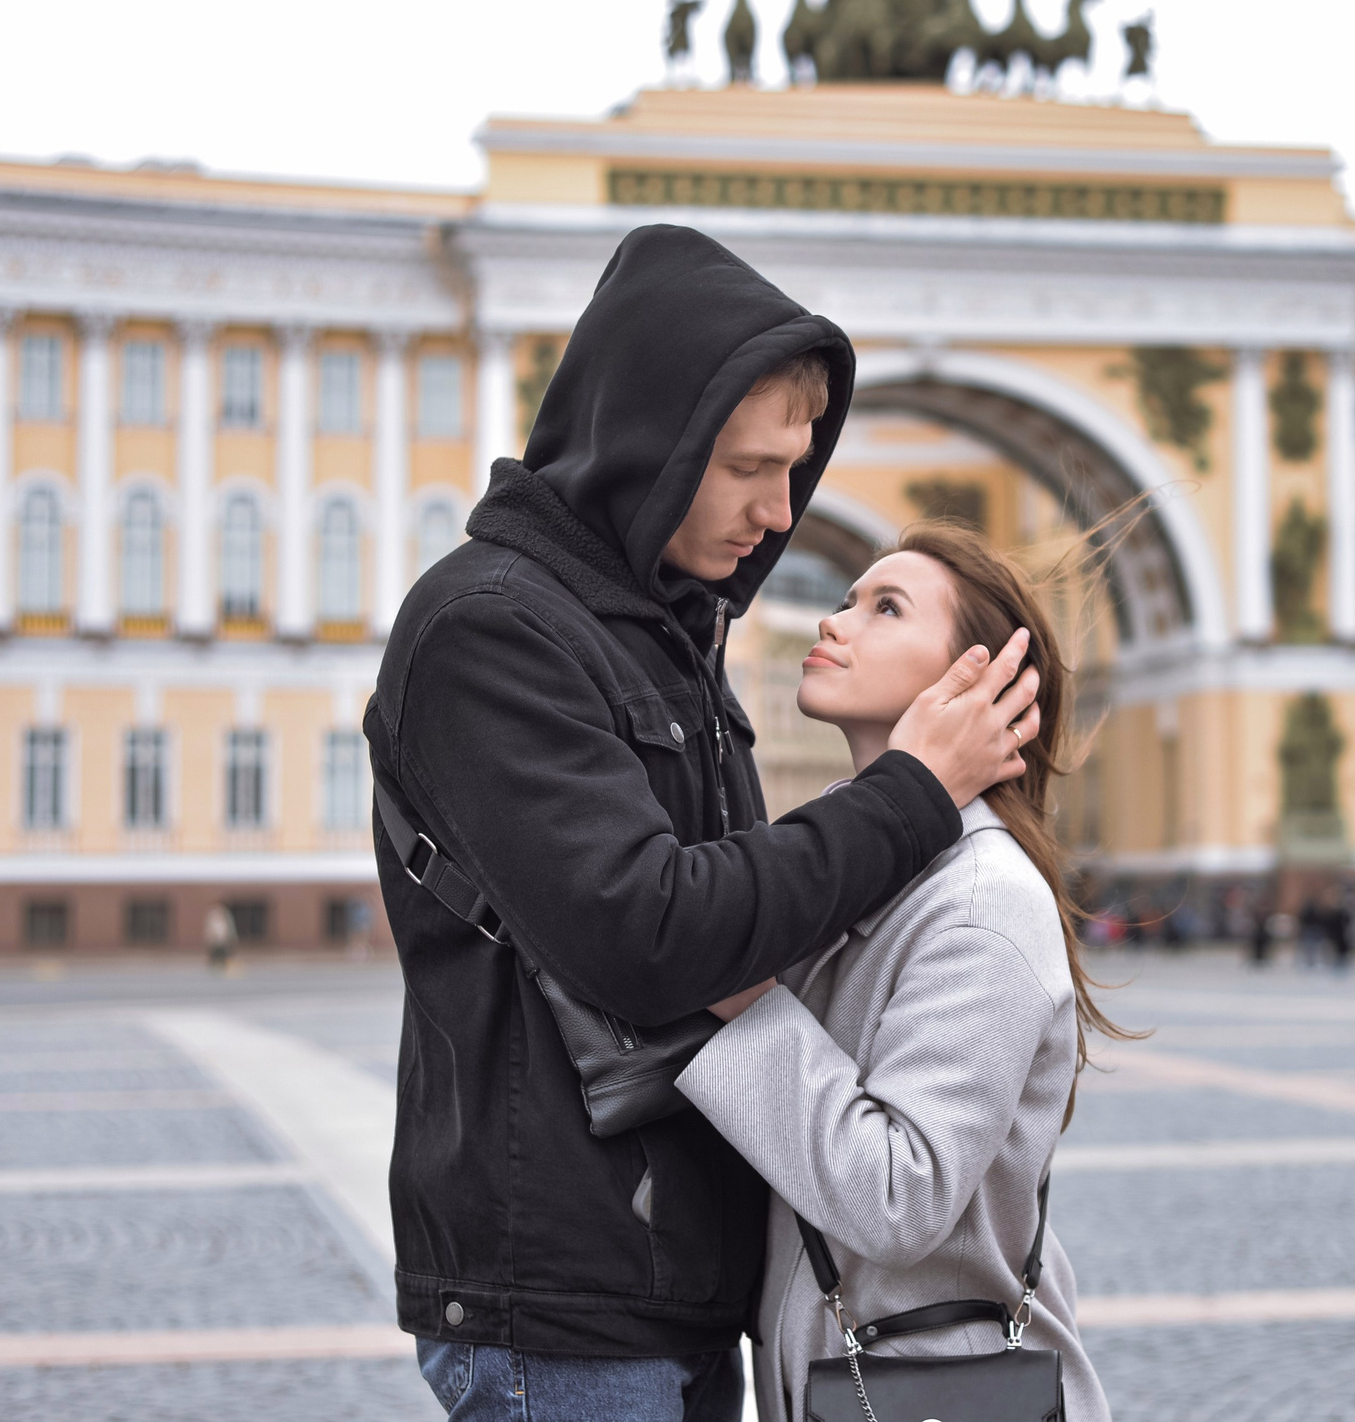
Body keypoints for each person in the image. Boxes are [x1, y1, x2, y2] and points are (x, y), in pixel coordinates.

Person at [365, 226, 1039, 1422]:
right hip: (566, 1303)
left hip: (672, 1290)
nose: (780, 512)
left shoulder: (665, 630)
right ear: (651, 433)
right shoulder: (493, 629)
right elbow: (653, 930)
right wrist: (915, 790)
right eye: (747, 466)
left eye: (796, 467)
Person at [679, 520, 1121, 1422]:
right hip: (858, 1382)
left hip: (935, 1387)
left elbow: (901, 1193)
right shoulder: (843, 861)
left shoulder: (986, 901)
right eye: (846, 599)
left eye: (887, 608)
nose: (837, 622)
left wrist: (745, 1003)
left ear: (976, 677)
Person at [202, 901, 236, 972]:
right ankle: (213, 969)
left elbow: (229, 929)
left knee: (223, 955)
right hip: (214, 940)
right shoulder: (212, 916)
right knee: (214, 955)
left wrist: (231, 938)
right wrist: (208, 938)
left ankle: (223, 968)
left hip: (223, 940)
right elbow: (209, 929)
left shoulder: (226, 916)